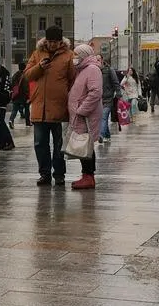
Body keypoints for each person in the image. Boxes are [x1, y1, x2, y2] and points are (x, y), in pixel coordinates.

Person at [23, 25, 75, 186]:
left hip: (59, 108)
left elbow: (73, 80)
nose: (52, 44)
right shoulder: (37, 54)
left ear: (60, 41)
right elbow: (27, 75)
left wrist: (70, 101)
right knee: (40, 144)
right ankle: (44, 174)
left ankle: (59, 174)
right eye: (50, 41)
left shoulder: (68, 56)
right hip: (39, 108)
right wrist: (39, 67)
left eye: (55, 41)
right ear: (46, 40)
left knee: (59, 145)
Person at [68, 44, 104, 190]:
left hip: (86, 116)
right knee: (84, 145)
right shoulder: (82, 69)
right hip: (81, 115)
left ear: (83, 55)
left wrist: (82, 110)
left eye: (76, 54)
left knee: (86, 145)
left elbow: (95, 92)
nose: (74, 57)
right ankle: (86, 175)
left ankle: (88, 177)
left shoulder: (92, 69)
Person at [100, 57, 120, 141]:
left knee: (104, 117)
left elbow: (115, 82)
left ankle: (101, 135)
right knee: (102, 118)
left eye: (99, 59)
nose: (97, 61)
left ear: (102, 60)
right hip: (99, 99)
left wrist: (118, 93)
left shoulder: (109, 70)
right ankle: (107, 135)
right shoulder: (95, 70)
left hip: (108, 97)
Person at [8, 63, 31, 127]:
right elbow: (26, 87)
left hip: (16, 95)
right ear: (25, 67)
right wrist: (28, 96)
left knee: (14, 109)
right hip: (23, 96)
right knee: (27, 109)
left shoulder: (15, 75)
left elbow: (11, 85)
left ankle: (11, 120)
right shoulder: (25, 75)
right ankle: (28, 123)